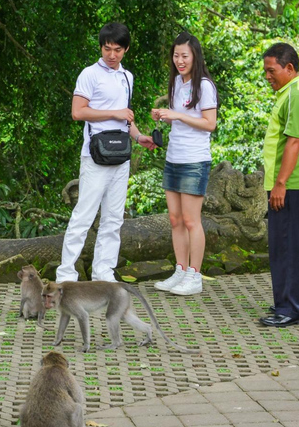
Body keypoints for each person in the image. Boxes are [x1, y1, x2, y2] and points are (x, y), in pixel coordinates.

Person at [56, 23, 156, 283]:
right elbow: (78, 112)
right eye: (107, 48)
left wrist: (139, 136)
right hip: (95, 155)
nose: (111, 55)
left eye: (117, 50)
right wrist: (113, 113)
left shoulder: (127, 77)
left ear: (126, 49)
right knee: (84, 214)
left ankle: (104, 272)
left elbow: (126, 117)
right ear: (101, 47)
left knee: (113, 217)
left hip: (120, 154)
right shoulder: (89, 74)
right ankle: (67, 273)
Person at [151, 32, 218, 296]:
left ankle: (195, 275)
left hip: (194, 160)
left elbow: (209, 124)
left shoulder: (205, 85)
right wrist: (165, 116)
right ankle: (180, 270)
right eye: (176, 55)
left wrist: (177, 114)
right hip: (174, 158)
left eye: (184, 56)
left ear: (195, 56)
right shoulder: (177, 82)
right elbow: (181, 119)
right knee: (175, 219)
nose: (180, 60)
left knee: (191, 220)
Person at [258, 42, 299, 327]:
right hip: (292, 182)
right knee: (296, 245)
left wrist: (280, 183)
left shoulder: (296, 94)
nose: (268, 76)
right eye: (266, 71)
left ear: (289, 68)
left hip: (291, 183)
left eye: (272, 70)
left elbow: (294, 141)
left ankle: (291, 308)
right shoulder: (292, 92)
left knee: (287, 246)